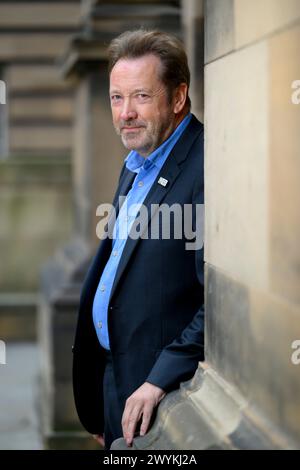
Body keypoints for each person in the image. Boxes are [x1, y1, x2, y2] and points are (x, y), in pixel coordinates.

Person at [72, 29, 205, 450]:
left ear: (178, 97)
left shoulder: (209, 167)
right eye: (116, 97)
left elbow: (220, 299)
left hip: (159, 398)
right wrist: (103, 399)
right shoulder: (137, 161)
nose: (125, 112)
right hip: (119, 392)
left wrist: (157, 381)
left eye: (142, 97)